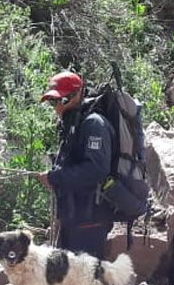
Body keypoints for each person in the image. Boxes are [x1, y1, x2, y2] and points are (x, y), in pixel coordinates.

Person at [36, 70, 115, 259]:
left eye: (59, 100)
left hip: (91, 219)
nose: (55, 106)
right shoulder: (71, 123)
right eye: (52, 101)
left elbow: (95, 170)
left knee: (84, 282)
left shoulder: (94, 124)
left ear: (77, 94)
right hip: (73, 217)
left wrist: (55, 178)